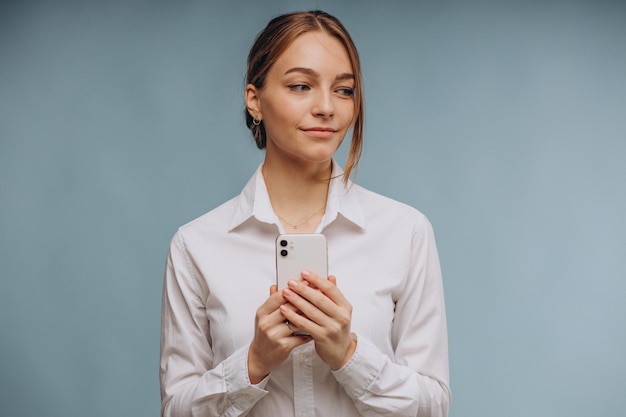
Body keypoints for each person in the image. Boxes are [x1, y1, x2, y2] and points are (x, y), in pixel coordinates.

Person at [160, 10, 451, 417]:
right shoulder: (196, 245)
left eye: (345, 90)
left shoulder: (405, 232)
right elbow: (176, 410)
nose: (327, 107)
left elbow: (433, 408)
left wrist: (348, 355)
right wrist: (253, 363)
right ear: (255, 100)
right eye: (301, 86)